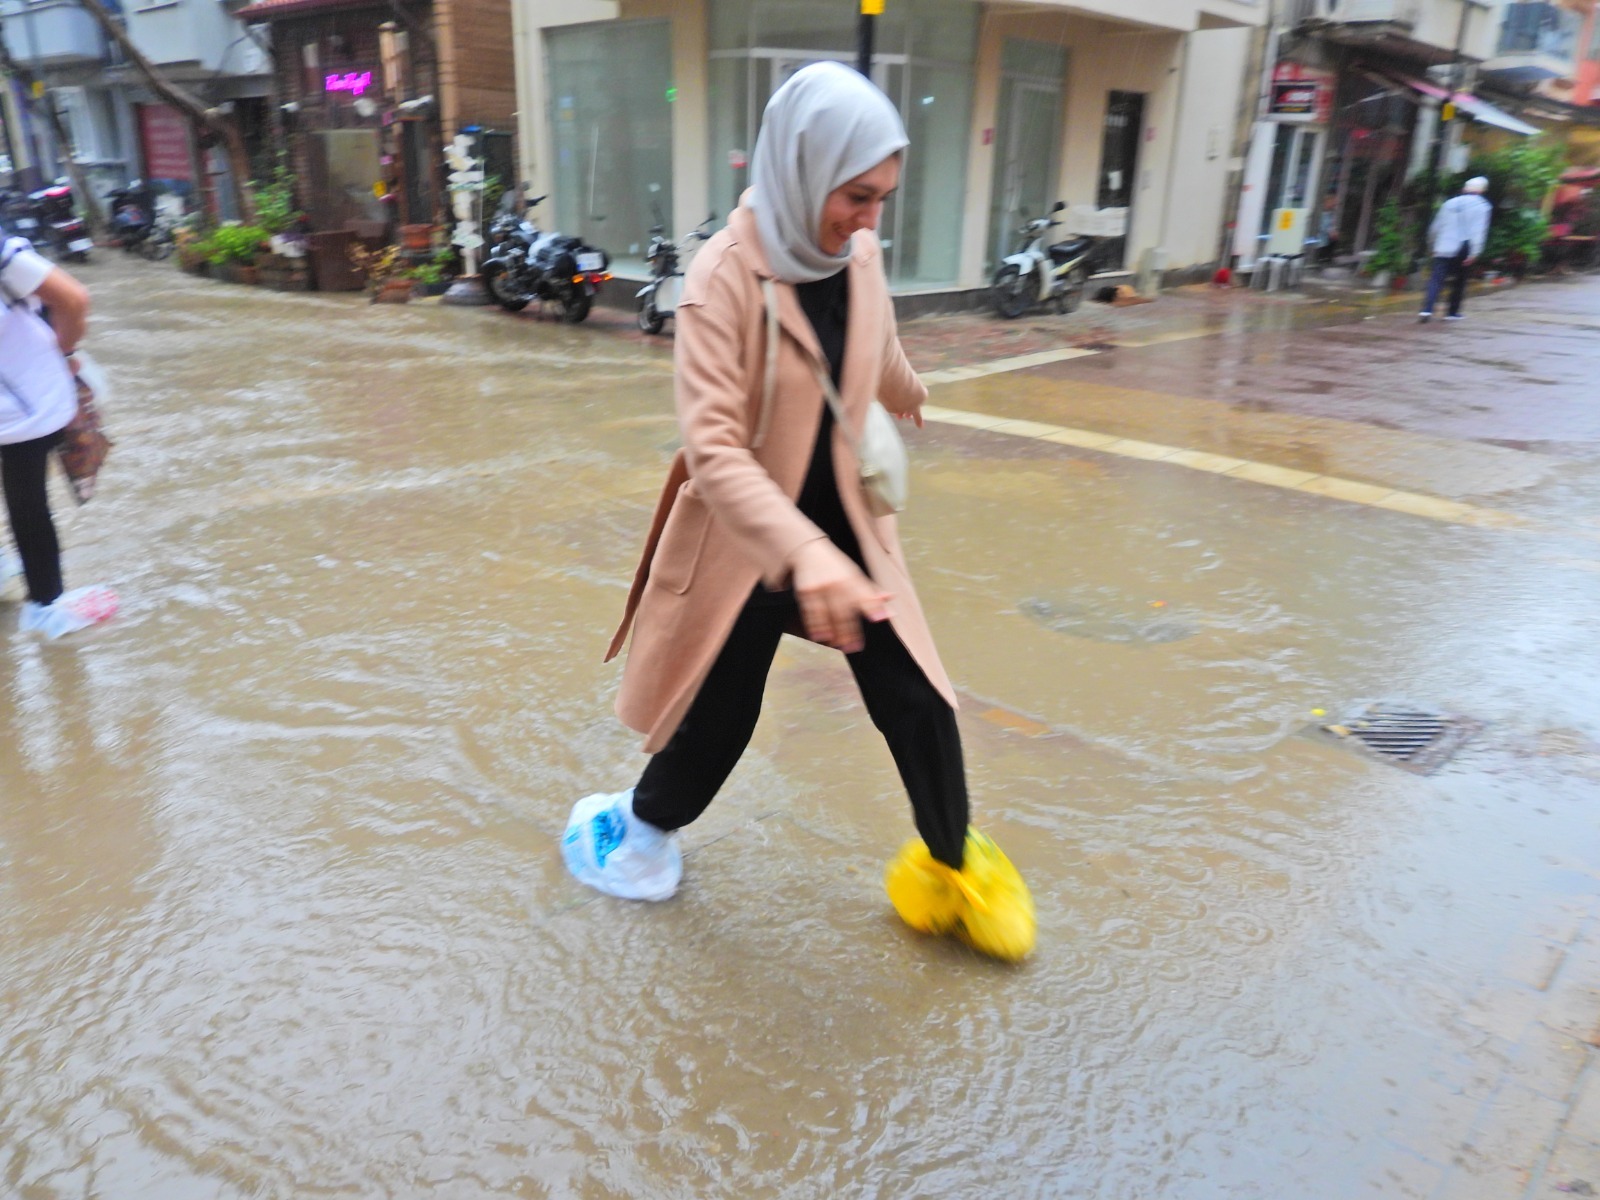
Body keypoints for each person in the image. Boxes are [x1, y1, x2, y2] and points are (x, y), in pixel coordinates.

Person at [561, 62, 1034, 962]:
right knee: (716, 729)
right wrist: (803, 555)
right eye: (857, 196)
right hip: (753, 552)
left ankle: (953, 876)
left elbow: (874, 335)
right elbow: (714, 451)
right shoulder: (720, 280)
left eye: (883, 199)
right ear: (803, 170)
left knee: (919, 703)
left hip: (847, 537)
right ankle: (635, 831)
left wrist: (906, 388)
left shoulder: (856, 251)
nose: (869, 219)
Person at [0, 236, 116, 637]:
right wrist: (63, 353)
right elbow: (73, 299)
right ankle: (46, 605)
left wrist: (61, 352)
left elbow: (71, 300)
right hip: (20, 404)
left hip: (18, 402)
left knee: (24, 498)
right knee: (27, 502)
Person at [1419, 176, 1492, 323]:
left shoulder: (1449, 203)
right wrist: (1474, 252)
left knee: (1436, 279)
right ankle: (1451, 312)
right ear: (1482, 191)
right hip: (1464, 247)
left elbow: (1435, 227)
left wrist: (1432, 245)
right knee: (1459, 280)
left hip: (1443, 245)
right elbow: (1479, 231)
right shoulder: (1483, 207)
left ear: (1464, 189)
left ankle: (1426, 310)